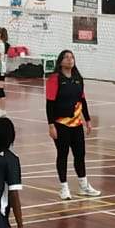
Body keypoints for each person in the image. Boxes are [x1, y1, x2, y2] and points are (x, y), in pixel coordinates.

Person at [44, 49, 100, 200]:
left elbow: (82, 100)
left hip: (76, 124)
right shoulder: (55, 79)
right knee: (62, 155)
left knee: (80, 155)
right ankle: (64, 187)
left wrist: (87, 120)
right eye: (66, 57)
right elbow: (49, 104)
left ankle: (84, 186)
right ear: (60, 61)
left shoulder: (78, 78)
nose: (70, 60)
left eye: (72, 57)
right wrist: (51, 125)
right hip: (60, 124)